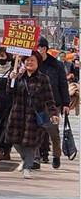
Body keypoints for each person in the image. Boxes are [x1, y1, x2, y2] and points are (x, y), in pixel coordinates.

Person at [6, 50, 59, 179]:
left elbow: (49, 98)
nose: (29, 62)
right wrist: (10, 80)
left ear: (38, 63)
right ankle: (26, 160)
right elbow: (9, 92)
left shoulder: (43, 79)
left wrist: (53, 113)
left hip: (34, 116)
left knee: (30, 143)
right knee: (15, 141)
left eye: (32, 60)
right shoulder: (19, 77)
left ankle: (27, 167)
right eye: (27, 60)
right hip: (17, 114)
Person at [37, 37, 70, 168]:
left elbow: (63, 84)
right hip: (36, 103)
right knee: (35, 131)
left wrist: (66, 103)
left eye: (37, 47)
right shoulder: (33, 63)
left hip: (53, 103)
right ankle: (36, 159)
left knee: (53, 132)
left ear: (44, 48)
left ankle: (56, 156)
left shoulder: (57, 65)